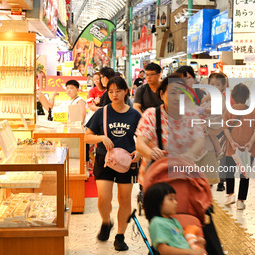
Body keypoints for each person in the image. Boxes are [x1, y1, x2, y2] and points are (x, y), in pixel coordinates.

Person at [84, 76, 141, 251]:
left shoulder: (134, 114)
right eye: (110, 92)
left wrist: (139, 150)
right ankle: (106, 221)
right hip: (104, 159)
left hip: (127, 161)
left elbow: (143, 138)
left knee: (124, 199)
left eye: (118, 91)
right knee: (103, 198)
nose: (114, 95)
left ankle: (120, 236)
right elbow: (86, 137)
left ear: (126, 91)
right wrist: (101, 137)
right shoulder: (102, 112)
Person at [136, 74, 206, 185]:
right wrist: (151, 153)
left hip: (183, 177)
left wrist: (190, 154)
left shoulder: (191, 115)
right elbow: (140, 143)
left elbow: (200, 140)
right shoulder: (151, 115)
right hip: (155, 179)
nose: (178, 97)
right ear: (162, 94)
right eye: (173, 93)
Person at [224, 83, 255, 210]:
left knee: (229, 171)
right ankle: (241, 201)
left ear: (233, 96)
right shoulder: (253, 111)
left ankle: (230, 195)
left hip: (232, 147)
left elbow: (225, 129)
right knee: (245, 174)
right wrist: (250, 142)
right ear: (247, 97)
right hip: (247, 148)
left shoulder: (229, 110)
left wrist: (232, 142)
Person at [143, 182, 205, 255]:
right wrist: (190, 252)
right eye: (171, 199)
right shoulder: (157, 223)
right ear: (156, 203)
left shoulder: (173, 221)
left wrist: (196, 241)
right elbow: (163, 250)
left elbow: (180, 240)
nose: (176, 202)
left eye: (175, 199)